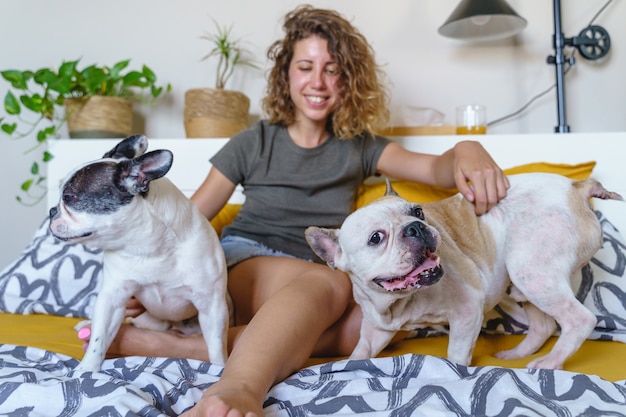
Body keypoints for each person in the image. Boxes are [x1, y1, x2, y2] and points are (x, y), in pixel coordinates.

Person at [79, 5, 509, 416]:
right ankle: (238, 385)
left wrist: (466, 148)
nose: (317, 81)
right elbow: (184, 223)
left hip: (314, 285)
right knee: (331, 285)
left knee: (377, 321)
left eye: (332, 69)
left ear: (348, 80)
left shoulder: (360, 145)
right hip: (250, 260)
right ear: (286, 75)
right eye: (305, 67)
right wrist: (148, 281)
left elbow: (435, 168)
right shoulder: (253, 142)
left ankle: (166, 346)